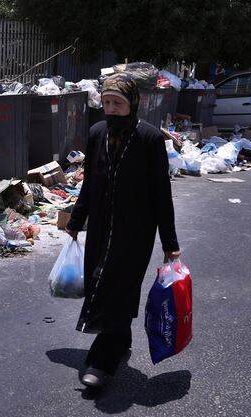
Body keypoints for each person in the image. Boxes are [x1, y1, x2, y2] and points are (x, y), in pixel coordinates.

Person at [65, 73, 180, 388]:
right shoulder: (96, 133)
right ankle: (120, 337)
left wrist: (169, 241)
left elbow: (160, 193)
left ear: (133, 103)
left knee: (119, 290)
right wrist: (76, 222)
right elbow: (89, 184)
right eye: (107, 102)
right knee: (99, 286)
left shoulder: (149, 139)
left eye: (118, 103)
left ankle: (102, 360)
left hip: (135, 233)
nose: (112, 108)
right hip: (101, 230)